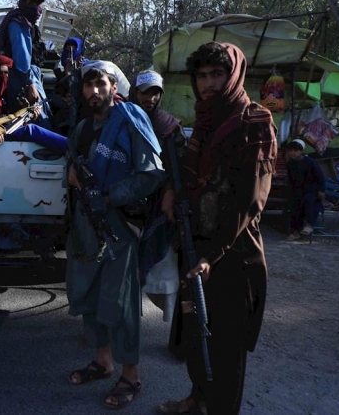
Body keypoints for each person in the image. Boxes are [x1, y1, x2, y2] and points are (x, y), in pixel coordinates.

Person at [157, 42, 277, 415]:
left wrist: (212, 255)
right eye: (202, 75)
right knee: (196, 332)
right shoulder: (204, 119)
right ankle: (197, 399)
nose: (208, 83)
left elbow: (249, 202)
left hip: (232, 252)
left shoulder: (253, 122)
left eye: (217, 74)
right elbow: (190, 177)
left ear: (233, 74)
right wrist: (170, 191)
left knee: (225, 348)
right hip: (196, 243)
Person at [65, 62, 165, 410]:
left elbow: (151, 175)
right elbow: (72, 163)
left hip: (120, 225)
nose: (94, 90)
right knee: (89, 296)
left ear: (113, 87)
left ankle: (131, 376)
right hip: (85, 225)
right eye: (88, 85)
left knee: (120, 302)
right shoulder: (81, 129)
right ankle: (103, 361)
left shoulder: (131, 118)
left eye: (101, 83)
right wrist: (73, 177)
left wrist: (108, 197)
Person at [129, 70, 185, 324]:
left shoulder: (169, 127)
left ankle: (173, 330)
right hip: (127, 203)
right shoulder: (124, 119)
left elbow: (178, 167)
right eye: (144, 92)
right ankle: (125, 324)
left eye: (155, 92)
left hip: (159, 204)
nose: (149, 98)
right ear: (135, 92)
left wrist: (171, 194)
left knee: (163, 267)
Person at [0, 0, 52, 118]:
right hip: (23, 77)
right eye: (34, 2)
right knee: (40, 119)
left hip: (27, 75)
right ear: (27, 0)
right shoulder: (19, 22)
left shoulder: (26, 22)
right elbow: (22, 57)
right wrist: (30, 84)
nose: (38, 8)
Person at [285, 138, 325, 240]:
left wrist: (321, 190)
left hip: (311, 189)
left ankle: (309, 225)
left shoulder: (310, 162)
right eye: (291, 151)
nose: (293, 153)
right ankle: (295, 231)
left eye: (295, 150)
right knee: (294, 207)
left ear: (301, 151)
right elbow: (290, 179)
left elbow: (320, 177)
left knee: (309, 201)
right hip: (298, 190)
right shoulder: (291, 164)